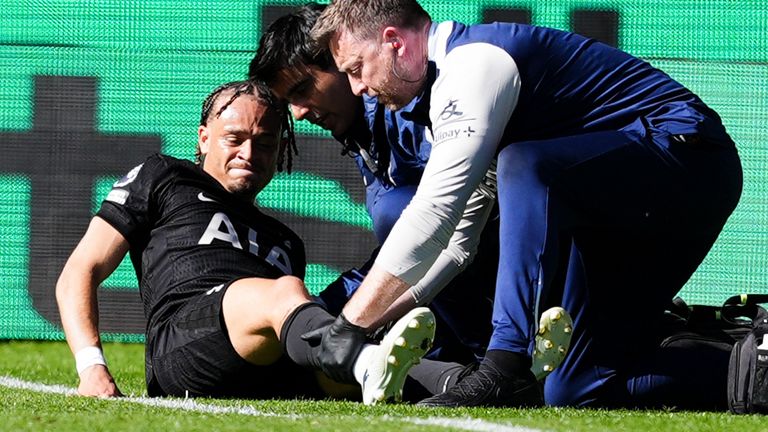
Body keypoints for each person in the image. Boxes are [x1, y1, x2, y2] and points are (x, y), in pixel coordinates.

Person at [309, 0, 744, 409]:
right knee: (575, 387)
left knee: (524, 163)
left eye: (356, 69)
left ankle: (505, 362)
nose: (357, 88)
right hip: (625, 196)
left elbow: (435, 214)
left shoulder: (472, 67)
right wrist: (373, 321)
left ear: (394, 42)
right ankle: (752, 367)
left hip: (691, 162)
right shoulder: (445, 94)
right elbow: (458, 245)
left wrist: (351, 322)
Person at [248, 2, 573, 386]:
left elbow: (443, 224)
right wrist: (335, 312)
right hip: (471, 271)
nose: (299, 112)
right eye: (288, 101)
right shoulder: (363, 130)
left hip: (546, 263)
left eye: (303, 89)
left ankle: (500, 356)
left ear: (341, 60)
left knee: (396, 214)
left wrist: (353, 320)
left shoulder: (411, 107)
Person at [55, 80, 437, 405]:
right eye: (234, 139)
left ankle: (459, 381)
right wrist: (91, 368)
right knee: (287, 292)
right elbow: (80, 271)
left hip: (266, 365)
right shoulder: (165, 176)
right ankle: (365, 362)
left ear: (280, 151)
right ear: (204, 138)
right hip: (183, 352)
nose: (249, 154)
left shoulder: (287, 242)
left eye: (265, 143)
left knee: (405, 370)